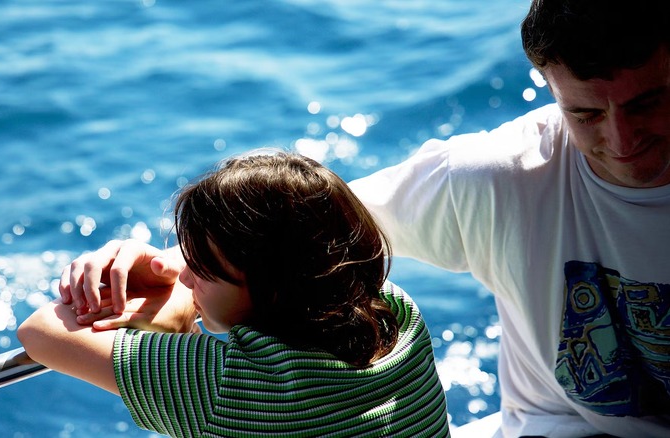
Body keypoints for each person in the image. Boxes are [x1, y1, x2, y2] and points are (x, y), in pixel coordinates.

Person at [55, 1, 670, 436]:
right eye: (585, 114)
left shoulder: (233, 390)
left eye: (648, 103)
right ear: (547, 88)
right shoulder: (493, 179)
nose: (622, 140)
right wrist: (168, 263)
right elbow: (299, 232)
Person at [19, 151, 451, 437]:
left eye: (203, 272)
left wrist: (170, 307)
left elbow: (39, 332)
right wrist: (185, 275)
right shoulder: (396, 313)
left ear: (273, 287)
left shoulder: (228, 385)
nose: (186, 279)